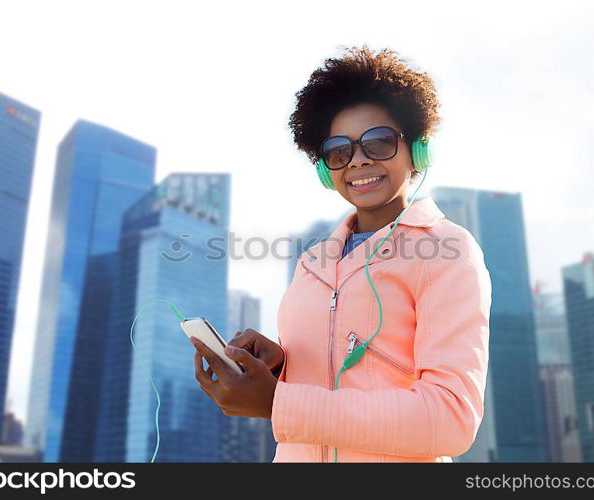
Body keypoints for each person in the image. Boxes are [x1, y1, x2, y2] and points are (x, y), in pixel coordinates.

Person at [190, 45, 492, 462]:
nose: (358, 161)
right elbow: (333, 372)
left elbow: (450, 418)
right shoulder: (311, 264)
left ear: (417, 150)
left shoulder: (447, 250)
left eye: (379, 142)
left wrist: (279, 403)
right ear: (325, 169)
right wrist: (279, 366)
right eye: (339, 150)